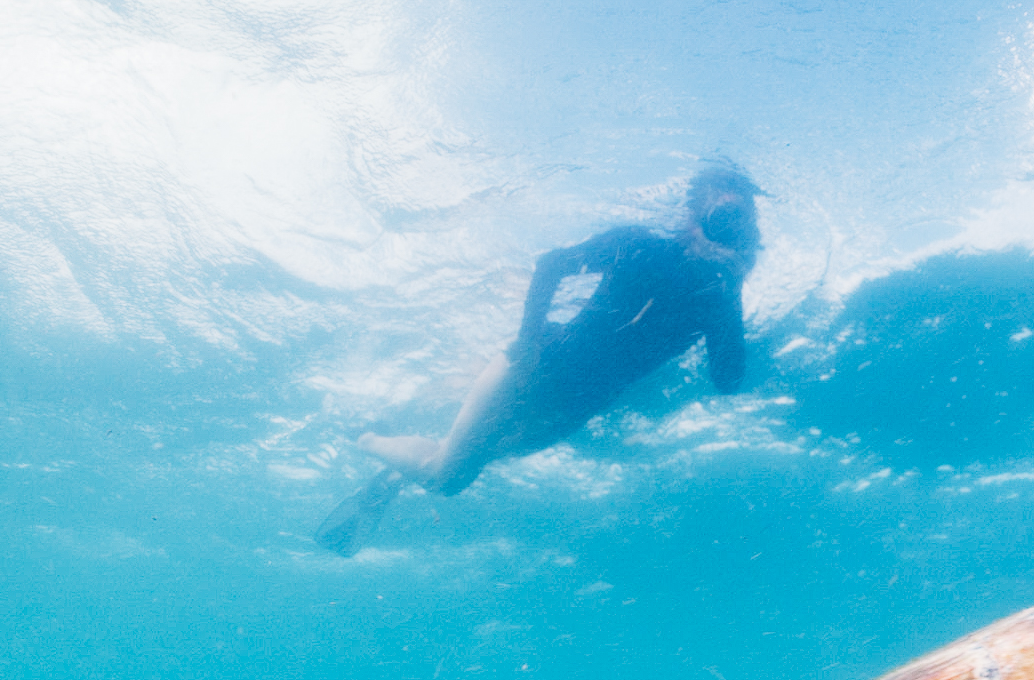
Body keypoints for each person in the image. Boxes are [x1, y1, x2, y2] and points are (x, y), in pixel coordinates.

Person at [315, 163, 761, 554]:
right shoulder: (642, 245)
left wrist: (731, 292)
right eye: (719, 216)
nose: (727, 231)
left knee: (471, 457)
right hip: (535, 365)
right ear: (690, 216)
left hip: (581, 404)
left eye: (738, 223)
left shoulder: (719, 297)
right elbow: (552, 264)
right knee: (449, 478)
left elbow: (727, 380)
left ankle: (395, 476)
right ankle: (369, 438)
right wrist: (527, 342)